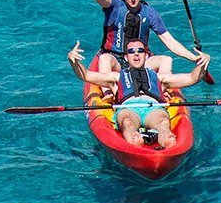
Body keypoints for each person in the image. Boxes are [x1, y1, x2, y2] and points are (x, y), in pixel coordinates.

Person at [69, 39, 210, 149]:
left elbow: (192, 78)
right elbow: (86, 75)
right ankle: (134, 138)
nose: (136, 54)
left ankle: (164, 137)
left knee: (162, 122)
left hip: (153, 108)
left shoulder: (159, 78)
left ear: (146, 55)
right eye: (131, 51)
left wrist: (203, 63)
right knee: (127, 122)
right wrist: (73, 60)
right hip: (128, 109)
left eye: (140, 51)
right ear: (126, 57)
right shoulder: (116, 78)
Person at [94, 0, 205, 66]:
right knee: (105, 59)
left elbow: (169, 41)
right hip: (114, 57)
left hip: (139, 59)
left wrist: (193, 58)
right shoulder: (114, 5)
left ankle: (161, 88)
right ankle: (108, 88)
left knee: (166, 60)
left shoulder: (150, 13)